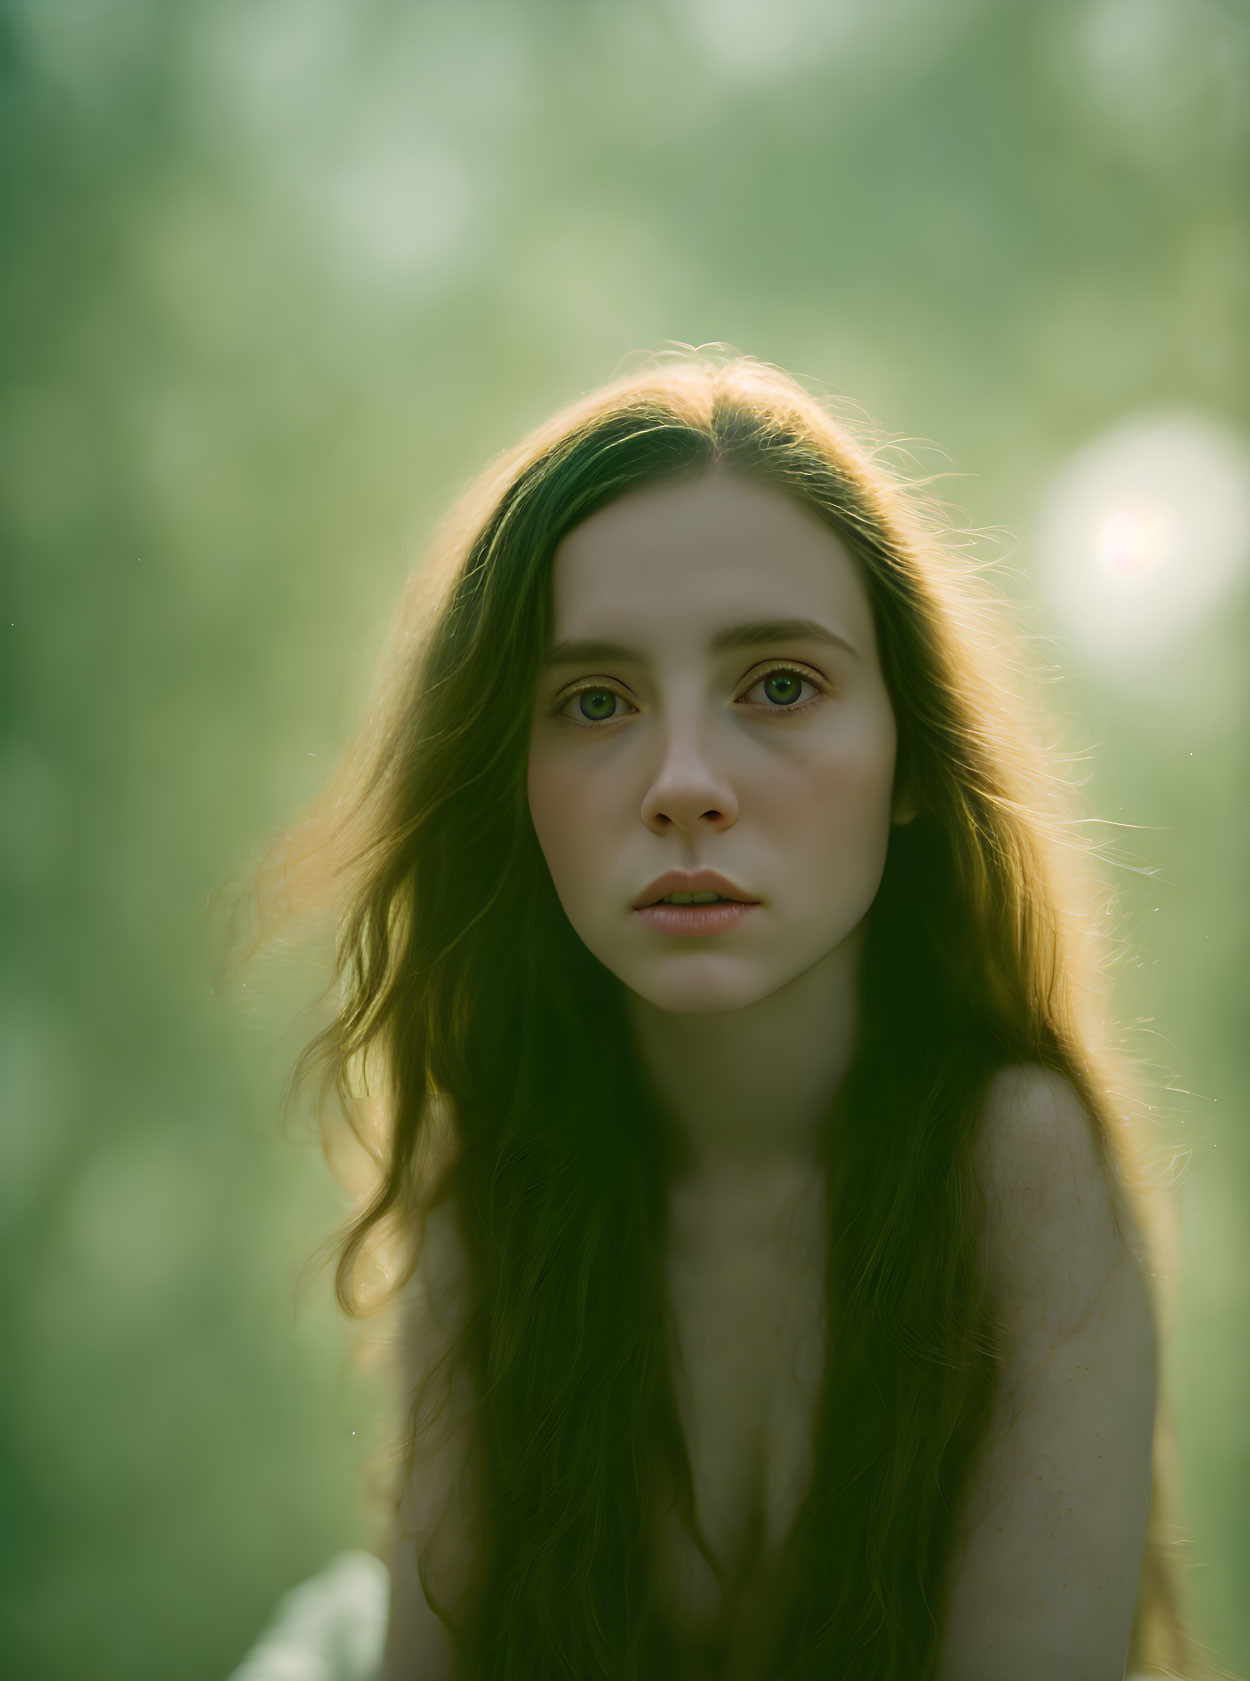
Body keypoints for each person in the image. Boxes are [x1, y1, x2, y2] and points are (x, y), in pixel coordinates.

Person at [221, 349, 1226, 1681]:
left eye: (778, 686)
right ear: (512, 785)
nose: (684, 782)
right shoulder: (501, 1174)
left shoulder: (1017, 1162)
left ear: (911, 760)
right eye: (592, 702)